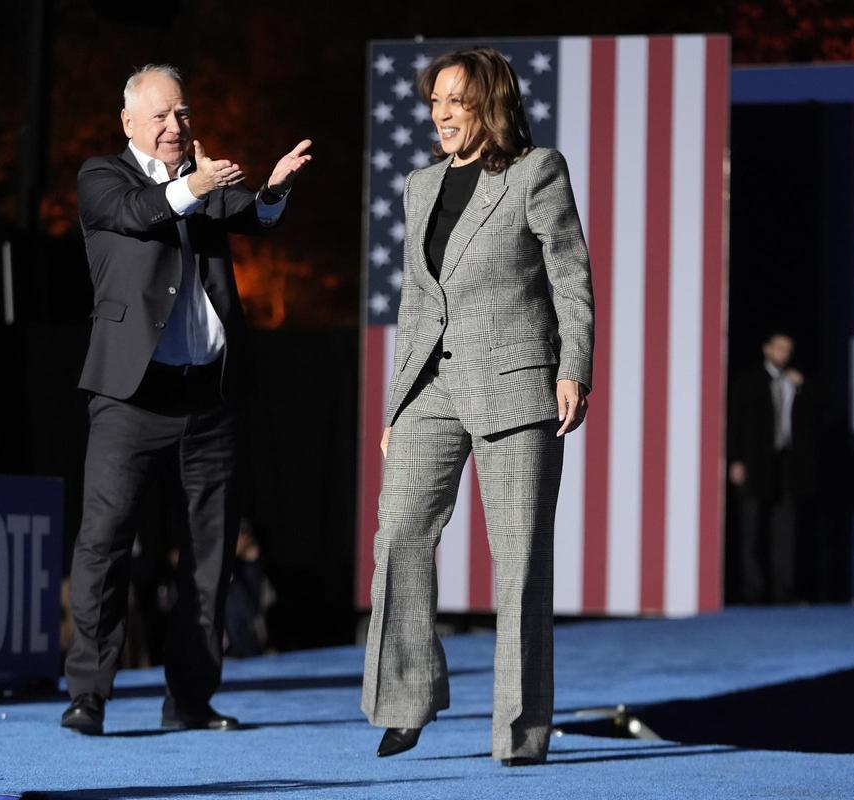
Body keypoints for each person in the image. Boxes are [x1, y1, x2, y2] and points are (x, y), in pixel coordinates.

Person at [60, 64, 311, 735]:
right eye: (163, 117)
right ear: (130, 123)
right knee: (105, 542)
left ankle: (191, 700)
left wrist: (274, 192)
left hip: (209, 396)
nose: (177, 127)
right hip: (131, 396)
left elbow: (250, 216)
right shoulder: (101, 177)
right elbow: (141, 215)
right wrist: (194, 185)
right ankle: (88, 693)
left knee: (210, 555)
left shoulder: (205, 176)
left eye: (184, 114)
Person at [361, 48, 593, 766]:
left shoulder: (536, 172)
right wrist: (396, 409)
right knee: (397, 534)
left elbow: (570, 276)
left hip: (517, 383)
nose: (440, 116)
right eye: (434, 103)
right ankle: (404, 702)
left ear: (490, 104)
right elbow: (414, 303)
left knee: (519, 563)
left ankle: (519, 733)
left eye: (455, 102)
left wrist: (574, 367)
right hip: (432, 386)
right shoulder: (418, 185)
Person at [727, 331, 815, 604]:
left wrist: (802, 388)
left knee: (784, 532)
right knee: (751, 531)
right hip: (755, 463)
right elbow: (735, 423)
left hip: (786, 465)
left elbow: (815, 419)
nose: (783, 354)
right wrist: (735, 460)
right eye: (778, 348)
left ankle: (783, 591)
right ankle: (752, 591)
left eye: (787, 349)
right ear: (766, 349)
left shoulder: (795, 382)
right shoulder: (748, 381)